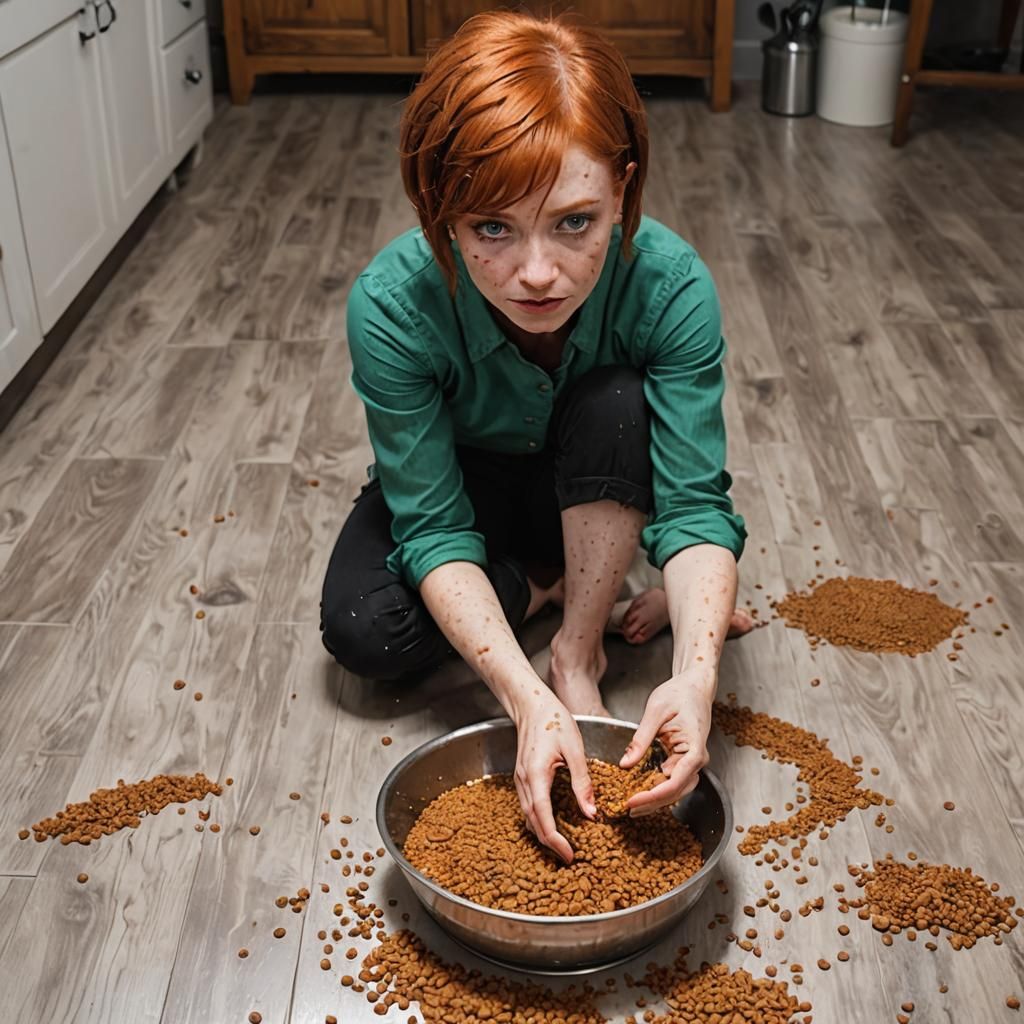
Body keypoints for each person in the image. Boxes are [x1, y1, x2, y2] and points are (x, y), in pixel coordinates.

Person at [321, 11, 751, 864]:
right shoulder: (389, 306)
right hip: (473, 482)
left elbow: (697, 502)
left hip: (604, 460)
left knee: (619, 404)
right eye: (491, 229)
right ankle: (555, 582)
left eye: (575, 222)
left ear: (622, 191)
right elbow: (435, 527)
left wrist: (696, 674)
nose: (538, 273)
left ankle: (578, 647)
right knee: (364, 632)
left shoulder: (671, 287)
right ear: (439, 209)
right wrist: (523, 704)